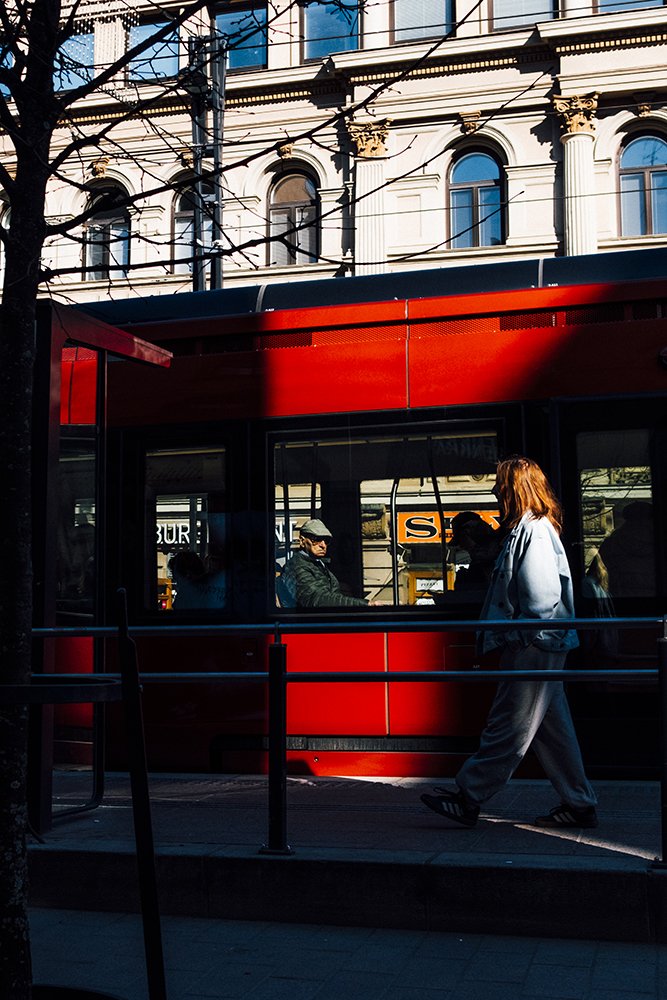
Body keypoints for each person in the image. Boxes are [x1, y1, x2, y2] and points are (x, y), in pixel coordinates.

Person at [421, 456, 598, 830]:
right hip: (542, 641)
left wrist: (517, 634)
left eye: (499, 485)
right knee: (552, 729)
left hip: (533, 643)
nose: (494, 491)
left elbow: (539, 597)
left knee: (510, 723)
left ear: (512, 488)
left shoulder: (532, 531)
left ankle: (469, 796)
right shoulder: (532, 528)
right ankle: (579, 803)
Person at [278, 518, 369, 609]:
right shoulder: (296, 567)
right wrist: (364, 604)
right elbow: (318, 600)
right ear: (302, 541)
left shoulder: (317, 563)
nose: (323, 545)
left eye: (326, 540)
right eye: (316, 539)